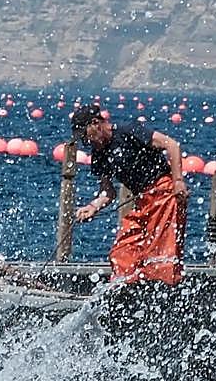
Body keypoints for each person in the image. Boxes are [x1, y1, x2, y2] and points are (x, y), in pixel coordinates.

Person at [72, 103, 188, 284]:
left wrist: (178, 181)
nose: (87, 142)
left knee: (160, 255)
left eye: (86, 136)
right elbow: (107, 192)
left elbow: (171, 145)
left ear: (95, 123)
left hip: (164, 193)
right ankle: (126, 288)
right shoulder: (99, 155)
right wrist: (93, 207)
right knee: (121, 252)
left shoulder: (128, 131)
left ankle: (164, 289)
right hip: (142, 201)